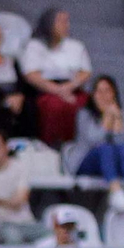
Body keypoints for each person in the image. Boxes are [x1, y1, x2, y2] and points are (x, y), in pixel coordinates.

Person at [65, 75, 124, 215]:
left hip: (109, 163)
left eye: (107, 91)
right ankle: (115, 191)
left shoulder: (122, 113)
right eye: (99, 92)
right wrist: (107, 118)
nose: (103, 96)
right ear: (93, 95)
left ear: (114, 94)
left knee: (123, 148)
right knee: (105, 148)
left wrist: (117, 118)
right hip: (85, 162)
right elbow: (93, 140)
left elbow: (121, 141)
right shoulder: (84, 114)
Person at [21, 8, 92, 146]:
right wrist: (59, 91)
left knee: (83, 104)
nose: (66, 25)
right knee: (55, 106)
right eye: (61, 21)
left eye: (67, 21)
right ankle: (52, 145)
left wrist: (68, 87)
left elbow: (85, 72)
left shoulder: (76, 46)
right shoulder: (34, 46)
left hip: (72, 88)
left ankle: (78, 146)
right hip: (45, 89)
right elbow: (31, 75)